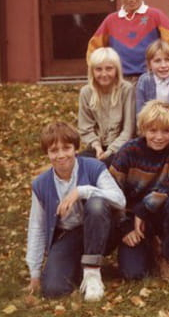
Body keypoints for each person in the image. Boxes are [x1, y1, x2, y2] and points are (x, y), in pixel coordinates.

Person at [25, 122, 125, 301]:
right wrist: (35, 273)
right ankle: (78, 265)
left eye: (66, 148)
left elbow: (120, 200)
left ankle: (92, 272)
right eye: (54, 150)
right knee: (54, 290)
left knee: (96, 204)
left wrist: (82, 191)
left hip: (103, 229)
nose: (61, 155)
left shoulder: (94, 167)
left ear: (75, 148)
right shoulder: (41, 184)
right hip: (70, 234)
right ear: (47, 153)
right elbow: (36, 227)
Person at [109, 100, 169, 280]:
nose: (159, 137)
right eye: (153, 130)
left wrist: (144, 209)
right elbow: (111, 192)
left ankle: (167, 254)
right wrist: (125, 226)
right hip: (131, 216)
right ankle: (148, 245)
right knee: (134, 273)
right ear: (144, 129)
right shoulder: (129, 151)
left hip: (161, 212)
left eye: (166, 131)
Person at [78, 47, 135, 165]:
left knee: (109, 164)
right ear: (92, 71)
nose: (104, 74)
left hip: (121, 147)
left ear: (117, 70)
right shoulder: (86, 92)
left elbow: (128, 130)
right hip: (96, 147)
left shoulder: (126, 89)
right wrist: (97, 147)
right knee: (79, 164)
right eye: (98, 69)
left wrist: (110, 151)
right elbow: (85, 127)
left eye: (109, 69)